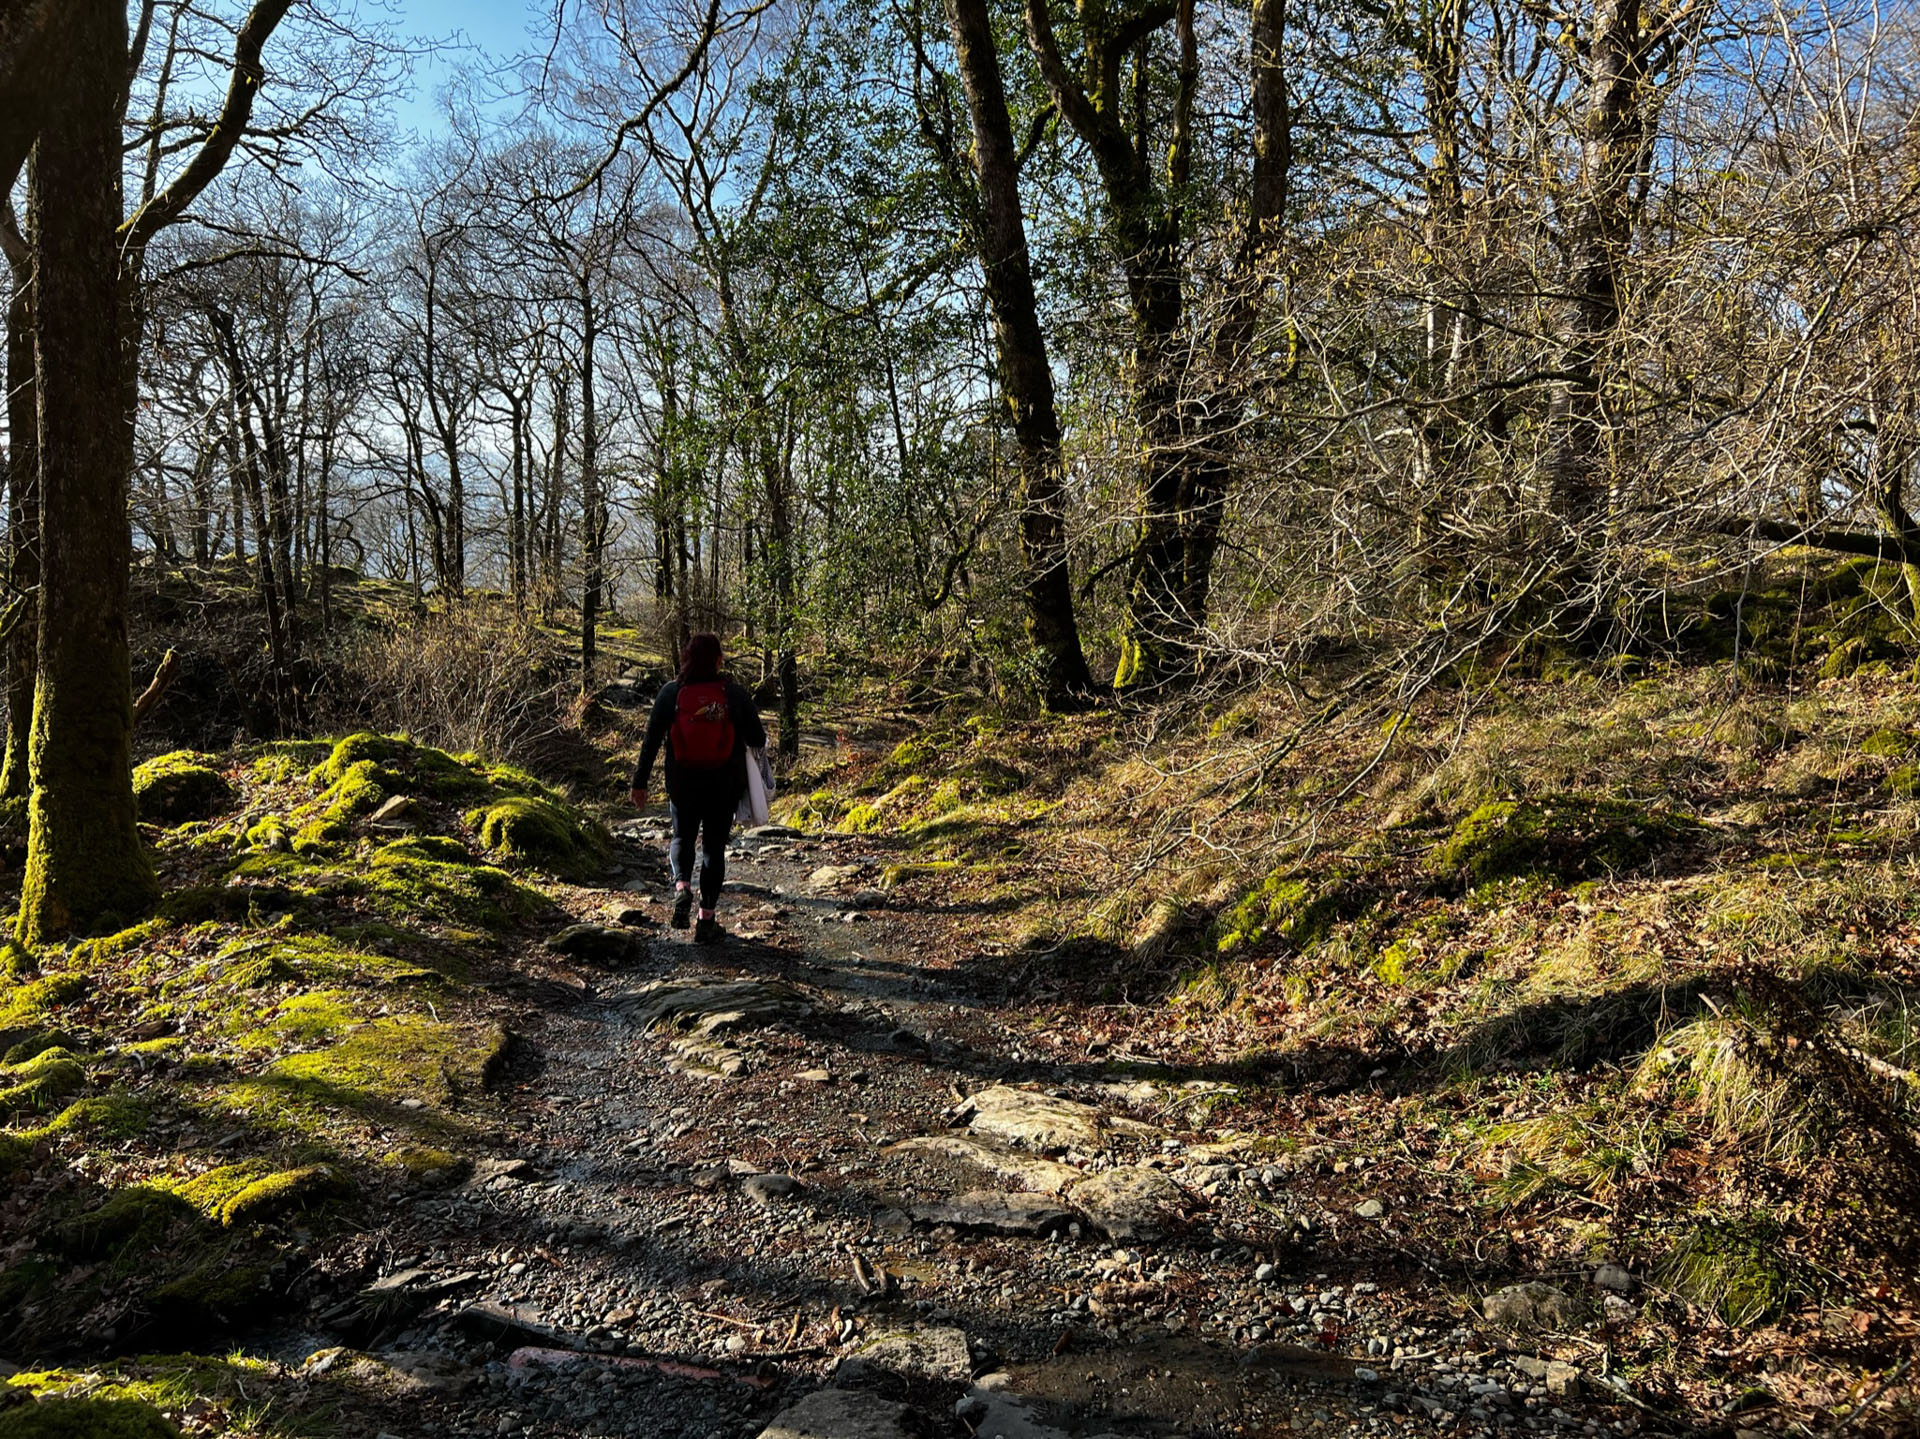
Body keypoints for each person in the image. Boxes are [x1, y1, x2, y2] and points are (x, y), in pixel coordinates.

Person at [629, 633, 768, 942]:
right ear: (718, 660)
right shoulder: (733, 693)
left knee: (682, 837)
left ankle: (682, 887)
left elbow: (651, 740)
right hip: (723, 783)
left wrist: (639, 783)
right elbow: (757, 738)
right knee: (714, 848)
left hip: (682, 781)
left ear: (686, 658)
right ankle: (706, 920)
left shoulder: (671, 693)